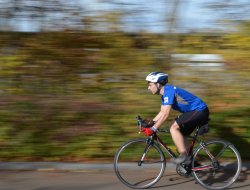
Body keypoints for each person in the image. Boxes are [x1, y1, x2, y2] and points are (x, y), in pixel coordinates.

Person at [143, 72, 209, 164]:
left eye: (150, 85)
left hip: (199, 110)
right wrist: (150, 123)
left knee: (173, 127)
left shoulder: (169, 91)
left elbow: (166, 114)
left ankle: (184, 156)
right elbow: (162, 112)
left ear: (158, 84)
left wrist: (153, 128)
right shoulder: (165, 94)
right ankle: (193, 163)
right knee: (180, 134)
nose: (148, 88)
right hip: (193, 112)